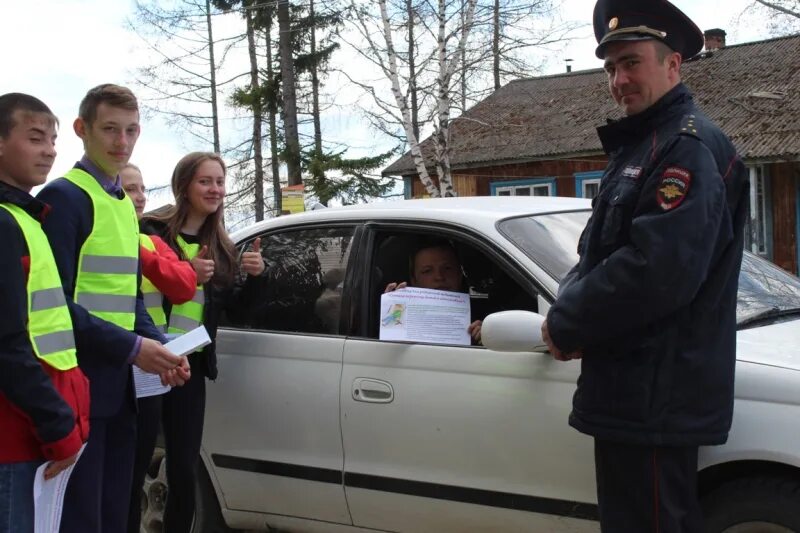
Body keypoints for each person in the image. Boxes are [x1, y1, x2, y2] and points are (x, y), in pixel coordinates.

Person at [540, 1, 749, 531]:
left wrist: (567, 322)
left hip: (655, 396)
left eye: (632, 63)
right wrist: (569, 306)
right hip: (633, 392)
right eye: (610, 68)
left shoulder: (686, 149)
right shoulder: (645, 147)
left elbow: (656, 270)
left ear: (673, 64)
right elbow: (597, 255)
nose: (619, 80)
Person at [36, 84, 191, 533]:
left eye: (131, 130)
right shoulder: (65, 196)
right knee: (81, 518)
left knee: (112, 515)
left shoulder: (123, 205)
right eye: (109, 129)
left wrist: (161, 348)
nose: (121, 142)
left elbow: (130, 298)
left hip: (122, 389)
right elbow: (51, 303)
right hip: (76, 385)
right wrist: (133, 348)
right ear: (82, 129)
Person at [135, 151, 265, 532]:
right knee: (134, 466)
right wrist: (185, 273)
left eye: (220, 182)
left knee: (184, 468)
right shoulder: (153, 231)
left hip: (189, 369)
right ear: (184, 186)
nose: (215, 189)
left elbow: (238, 312)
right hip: (147, 363)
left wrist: (255, 277)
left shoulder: (224, 247)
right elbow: (132, 291)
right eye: (205, 181)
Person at [0, 93, 89, 533]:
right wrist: (58, 425)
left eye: (53, 140)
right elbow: (7, 342)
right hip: (18, 438)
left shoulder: (26, 218)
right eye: (35, 138)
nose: (50, 150)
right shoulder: (4, 224)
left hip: (34, 431)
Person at [120, 162, 198, 532]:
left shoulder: (149, 238)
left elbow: (183, 285)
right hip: (119, 365)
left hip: (153, 361)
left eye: (141, 189)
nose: (138, 198)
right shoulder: (104, 234)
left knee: (144, 467)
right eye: (128, 189)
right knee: (126, 472)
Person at [385, 240, 482, 342]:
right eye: (427, 271)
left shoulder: (484, 319)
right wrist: (391, 315)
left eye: (447, 268)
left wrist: (485, 340)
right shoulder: (399, 313)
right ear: (414, 280)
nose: (439, 277)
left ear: (460, 275)